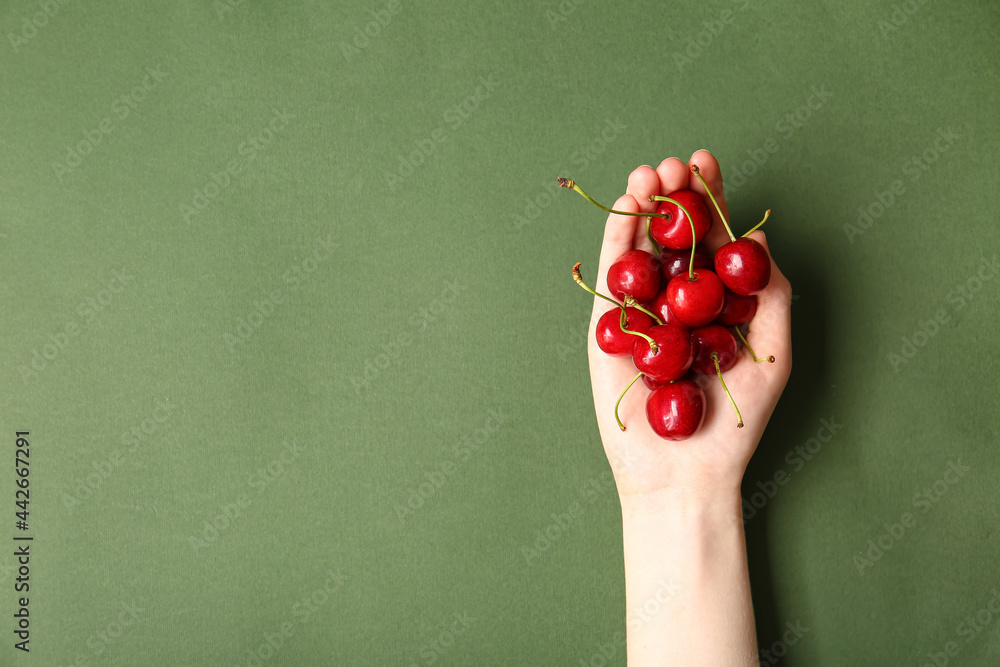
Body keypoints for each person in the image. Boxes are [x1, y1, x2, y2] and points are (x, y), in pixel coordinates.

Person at [586, 150, 793, 665]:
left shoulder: (703, 314)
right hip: (670, 347)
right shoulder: (650, 326)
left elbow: (729, 303)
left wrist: (694, 492)